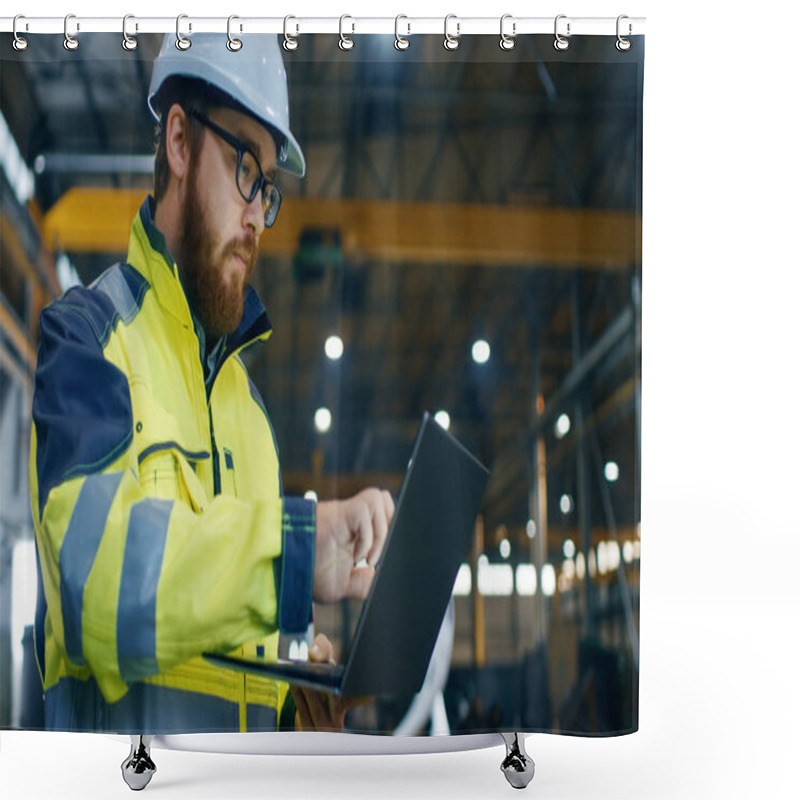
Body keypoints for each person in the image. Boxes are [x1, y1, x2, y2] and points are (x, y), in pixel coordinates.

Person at [28, 32, 394, 734]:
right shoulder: (89, 340)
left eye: (270, 190)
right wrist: (294, 548)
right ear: (178, 142)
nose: (258, 214)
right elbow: (96, 589)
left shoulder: (249, 412)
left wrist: (299, 695)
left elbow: (227, 631)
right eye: (246, 168)